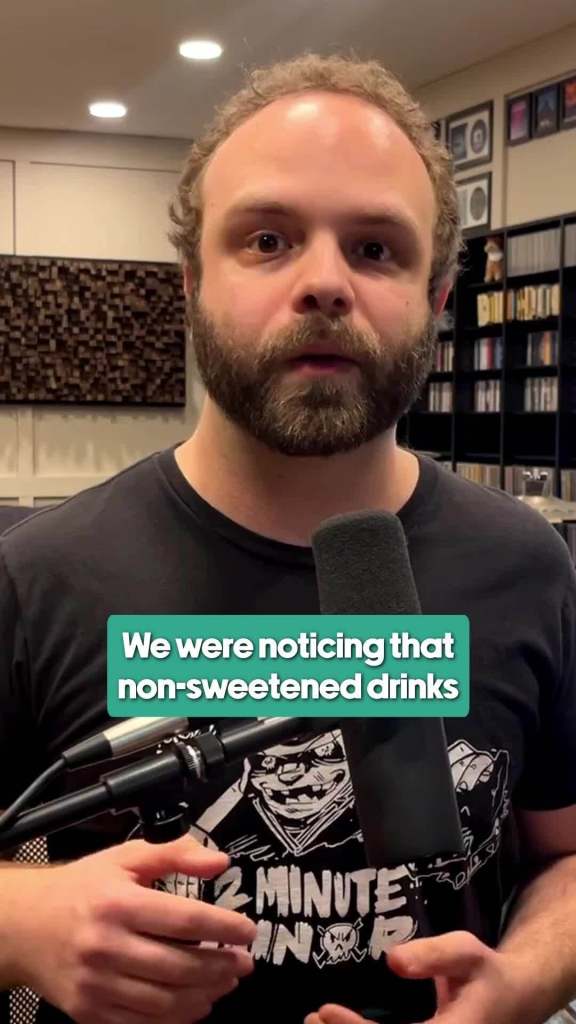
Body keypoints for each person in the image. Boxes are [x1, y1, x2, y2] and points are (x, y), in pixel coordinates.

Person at [1, 52, 576, 1024]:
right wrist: (18, 922)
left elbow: (565, 851)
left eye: (376, 248)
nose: (324, 283)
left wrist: (523, 984)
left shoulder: (527, 565)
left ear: (438, 299)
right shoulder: (39, 573)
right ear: (192, 282)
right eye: (267, 239)